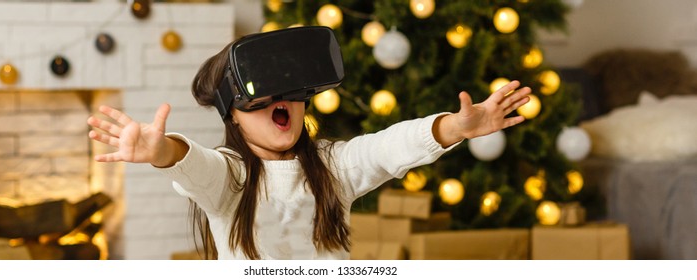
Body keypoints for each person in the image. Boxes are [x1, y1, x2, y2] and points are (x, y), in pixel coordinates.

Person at [87, 29, 531, 260]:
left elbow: (385, 149)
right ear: (234, 116)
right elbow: (193, 164)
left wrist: (452, 127)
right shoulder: (229, 177)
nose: (281, 103)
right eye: (262, 98)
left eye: (291, 92)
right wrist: (160, 150)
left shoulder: (333, 166)